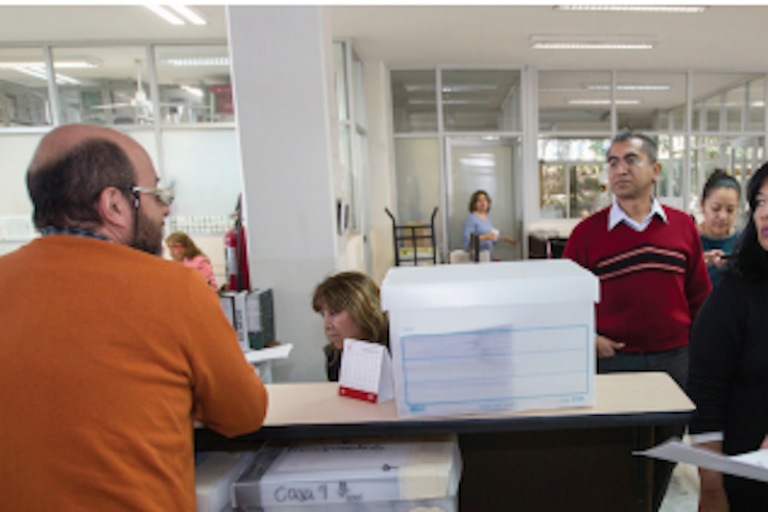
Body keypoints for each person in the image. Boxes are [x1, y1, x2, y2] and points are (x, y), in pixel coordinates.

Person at [0, 124, 268, 511]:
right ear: (114, 205)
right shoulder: (177, 291)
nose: (166, 208)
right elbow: (244, 414)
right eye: (156, 194)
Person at [562, 130, 712, 512]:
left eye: (630, 160)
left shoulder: (682, 227)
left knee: (665, 456)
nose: (619, 169)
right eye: (612, 162)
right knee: (612, 461)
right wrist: (587, 335)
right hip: (613, 363)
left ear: (656, 169)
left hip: (673, 362)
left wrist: (700, 351)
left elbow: (700, 297)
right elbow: (563, 301)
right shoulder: (587, 234)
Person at [688, 161, 768, 511]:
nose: (766, 214)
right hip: (748, 479)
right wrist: (712, 485)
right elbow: (706, 392)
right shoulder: (735, 293)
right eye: (761, 202)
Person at [312, 271, 388, 382]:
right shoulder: (334, 357)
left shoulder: (397, 352)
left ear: (362, 310)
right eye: (323, 315)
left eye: (333, 313)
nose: (325, 325)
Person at [697, 169, 741, 288]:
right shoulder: (688, 239)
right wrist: (697, 266)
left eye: (730, 210)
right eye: (715, 209)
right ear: (702, 205)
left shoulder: (743, 242)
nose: (722, 216)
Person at [462, 190, 516, 260]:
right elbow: (467, 240)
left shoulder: (487, 217)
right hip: (477, 258)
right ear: (474, 203)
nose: (483, 203)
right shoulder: (471, 219)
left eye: (485, 200)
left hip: (487, 256)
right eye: (479, 200)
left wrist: (508, 239)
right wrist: (486, 237)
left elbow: (492, 237)